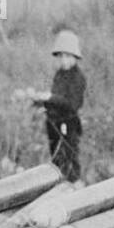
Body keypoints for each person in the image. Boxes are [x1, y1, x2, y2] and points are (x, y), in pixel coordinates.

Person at [24, 28, 86, 182]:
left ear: (75, 57)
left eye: (68, 56)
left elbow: (72, 104)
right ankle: (60, 188)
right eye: (61, 56)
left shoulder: (78, 78)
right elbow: (55, 100)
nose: (64, 60)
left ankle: (74, 190)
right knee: (56, 160)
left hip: (68, 124)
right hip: (54, 124)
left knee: (69, 159)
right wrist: (40, 102)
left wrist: (50, 97)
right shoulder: (59, 75)